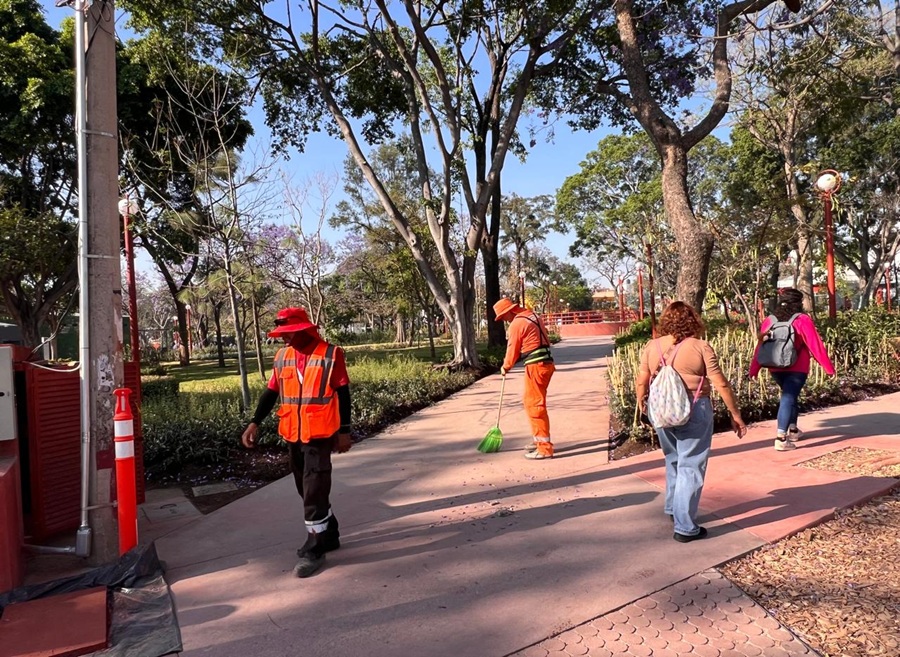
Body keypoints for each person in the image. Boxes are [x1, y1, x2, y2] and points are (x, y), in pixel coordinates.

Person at [241, 307, 353, 578]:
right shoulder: (282, 357)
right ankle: (330, 532)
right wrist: (254, 422)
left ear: (304, 330)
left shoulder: (330, 354)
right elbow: (271, 392)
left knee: (314, 488)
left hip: (320, 434)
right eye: (282, 335)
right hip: (293, 432)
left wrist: (345, 431)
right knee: (304, 488)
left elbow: (344, 393)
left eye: (289, 334)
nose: (284, 339)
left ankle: (316, 547)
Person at [636, 301, 747, 543]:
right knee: (691, 464)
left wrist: (641, 406)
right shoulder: (701, 347)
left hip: (661, 411)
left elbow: (642, 380)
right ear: (693, 320)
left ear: (666, 321)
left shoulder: (652, 346)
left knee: (673, 458)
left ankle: (672, 509)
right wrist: (735, 414)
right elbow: (721, 383)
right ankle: (685, 526)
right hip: (694, 409)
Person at [749, 288, 835, 451]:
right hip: (797, 367)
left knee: (791, 395)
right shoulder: (802, 319)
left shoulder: (770, 320)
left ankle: (793, 430)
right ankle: (781, 438)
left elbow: (760, 347)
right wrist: (828, 368)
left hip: (775, 367)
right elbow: (815, 345)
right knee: (788, 396)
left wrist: (754, 369)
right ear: (798, 303)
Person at [493, 298, 556, 459]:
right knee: (533, 402)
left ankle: (544, 448)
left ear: (509, 311)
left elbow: (512, 349)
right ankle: (538, 441)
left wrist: (506, 366)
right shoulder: (532, 315)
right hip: (546, 363)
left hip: (536, 366)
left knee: (534, 404)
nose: (504, 320)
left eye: (503, 316)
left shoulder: (517, 324)